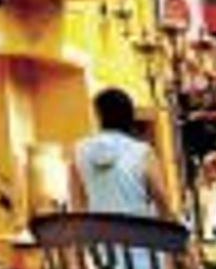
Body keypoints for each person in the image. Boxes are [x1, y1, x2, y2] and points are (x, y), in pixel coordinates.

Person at [70, 86, 175, 219]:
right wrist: (171, 221)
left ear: (99, 116)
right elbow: (160, 197)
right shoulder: (142, 152)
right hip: (137, 227)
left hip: (99, 229)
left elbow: (77, 203)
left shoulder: (79, 151)